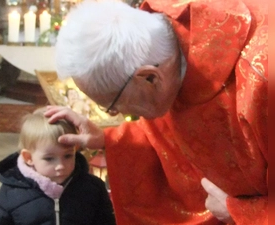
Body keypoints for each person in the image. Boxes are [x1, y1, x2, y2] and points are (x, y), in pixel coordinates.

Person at [44, 0, 268, 224]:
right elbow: (176, 132)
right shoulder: (165, 42)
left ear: (150, 77)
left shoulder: (262, 80)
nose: (112, 114)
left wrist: (243, 213)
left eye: (111, 105)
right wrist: (110, 139)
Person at [0, 107, 116, 225]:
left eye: (68, 156)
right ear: (29, 158)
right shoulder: (11, 194)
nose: (60, 166)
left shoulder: (92, 188)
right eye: (49, 159)